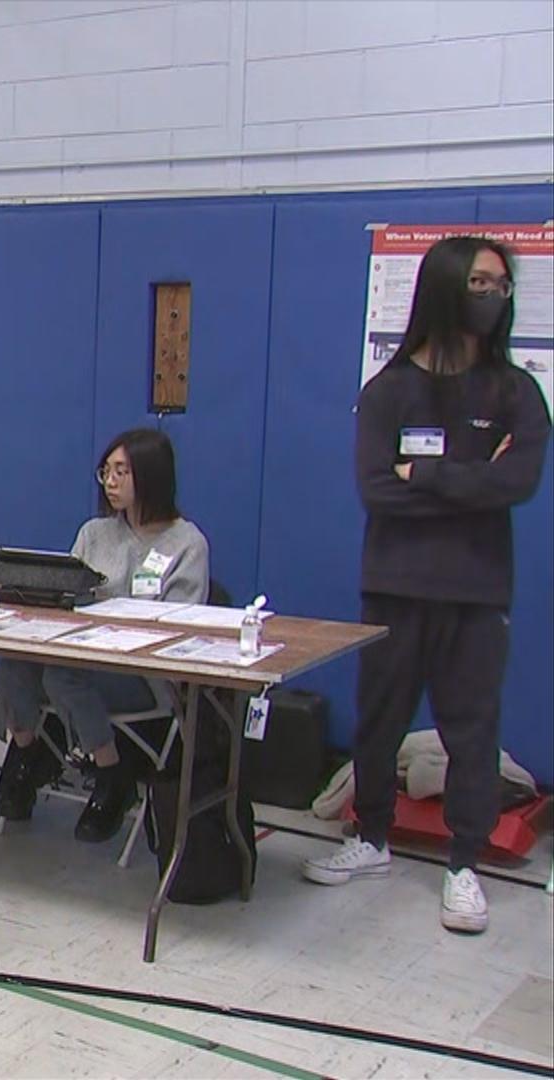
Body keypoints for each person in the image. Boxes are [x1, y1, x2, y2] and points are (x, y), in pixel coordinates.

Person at [301, 236, 549, 936]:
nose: (492, 295)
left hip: (476, 593)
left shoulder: (516, 392)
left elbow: (519, 482)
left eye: (502, 285)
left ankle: (464, 866)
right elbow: (379, 491)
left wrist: (430, 477)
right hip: (396, 586)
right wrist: (473, 482)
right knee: (379, 721)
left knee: (472, 733)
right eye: (479, 281)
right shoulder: (389, 392)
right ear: (444, 286)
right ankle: (370, 839)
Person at [0, 428, 208, 842]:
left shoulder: (187, 543)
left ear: (151, 475)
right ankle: (28, 752)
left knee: (60, 676)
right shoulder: (94, 532)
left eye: (121, 472)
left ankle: (113, 775)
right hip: (79, 654)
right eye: (105, 472)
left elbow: (181, 624)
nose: (110, 481)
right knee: (14, 666)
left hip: (141, 675)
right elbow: (65, 590)